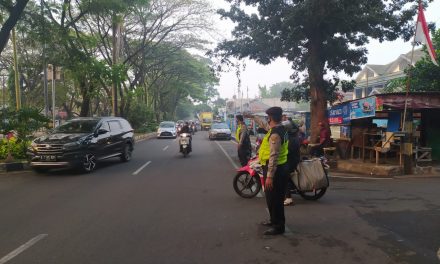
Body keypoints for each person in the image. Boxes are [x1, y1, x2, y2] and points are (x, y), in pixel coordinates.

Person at [251, 107, 289, 236]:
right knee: (270, 196)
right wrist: (253, 118)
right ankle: (273, 220)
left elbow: (274, 156)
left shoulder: (275, 134)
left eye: (268, 118)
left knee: (276, 199)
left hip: (276, 170)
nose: (267, 120)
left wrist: (270, 176)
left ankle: (279, 226)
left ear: (271, 118)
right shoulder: (278, 129)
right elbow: (265, 125)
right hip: (274, 168)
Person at [283, 118, 300, 206]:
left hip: (291, 160)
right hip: (292, 159)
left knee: (284, 177)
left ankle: (289, 198)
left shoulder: (291, 138)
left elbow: (288, 151)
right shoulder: (293, 136)